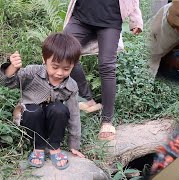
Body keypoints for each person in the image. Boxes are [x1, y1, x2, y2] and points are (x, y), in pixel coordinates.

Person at [0, 33, 85, 169]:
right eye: (55, 67)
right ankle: (38, 147)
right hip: (29, 118)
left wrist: (74, 144)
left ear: (73, 65)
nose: (59, 73)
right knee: (32, 111)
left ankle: (54, 147)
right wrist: (12, 68)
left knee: (60, 109)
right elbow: (8, 82)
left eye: (66, 69)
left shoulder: (71, 86)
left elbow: (74, 115)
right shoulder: (32, 72)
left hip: (51, 122)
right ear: (44, 60)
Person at [63, 0, 143, 140]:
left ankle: (107, 121)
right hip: (81, 18)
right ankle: (88, 100)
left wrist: (136, 20)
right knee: (63, 52)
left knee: (107, 66)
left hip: (110, 22)